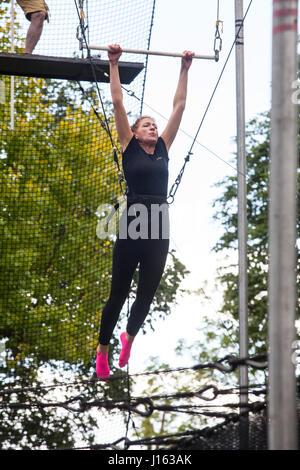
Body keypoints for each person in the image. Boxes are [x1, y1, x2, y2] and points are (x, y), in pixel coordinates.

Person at [96, 44, 194, 379]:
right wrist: (113, 64)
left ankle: (129, 337)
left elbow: (179, 107)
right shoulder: (128, 146)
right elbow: (118, 102)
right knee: (119, 292)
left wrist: (184, 69)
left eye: (154, 125)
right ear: (135, 133)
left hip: (159, 222)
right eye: (147, 126)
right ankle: (103, 349)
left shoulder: (164, 148)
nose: (153, 128)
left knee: (148, 291)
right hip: (134, 219)